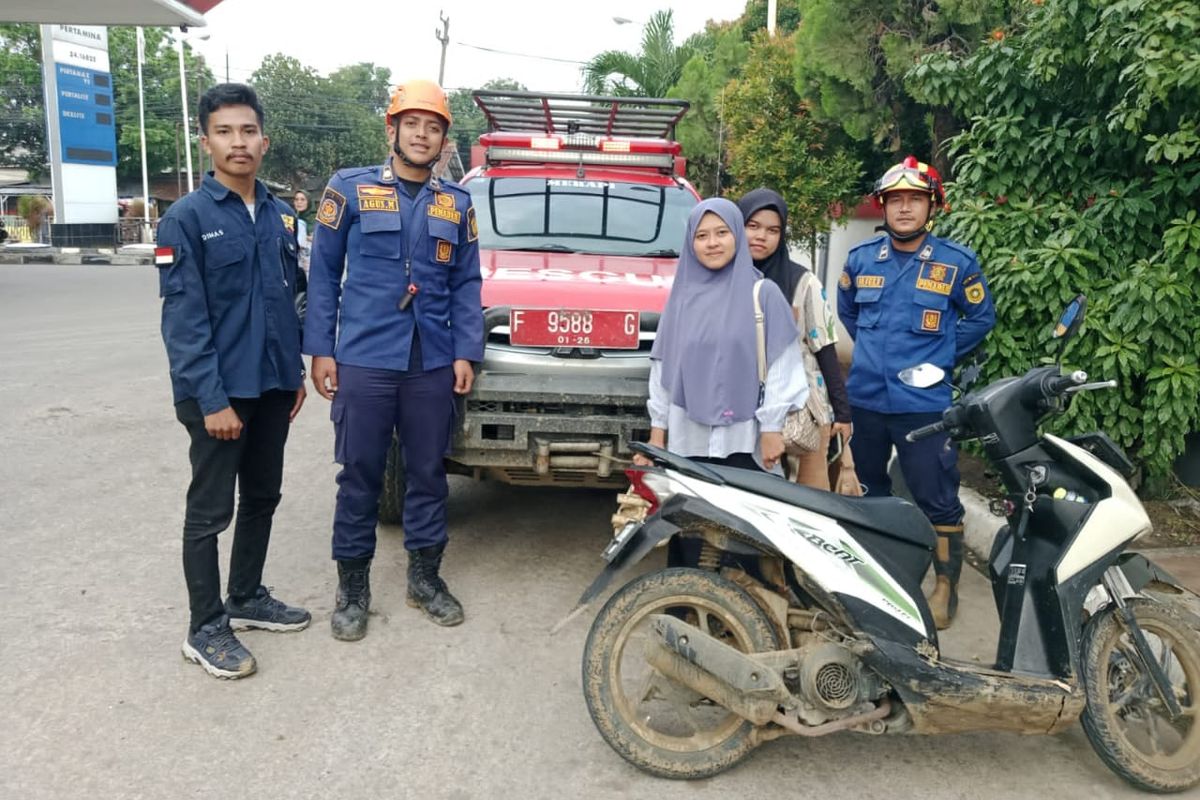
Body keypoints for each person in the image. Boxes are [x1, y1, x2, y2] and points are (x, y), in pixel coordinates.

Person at [305, 79, 483, 640]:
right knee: (360, 473)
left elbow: (466, 283)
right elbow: (323, 273)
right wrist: (321, 349)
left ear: (444, 141)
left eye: (433, 127)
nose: (422, 135)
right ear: (392, 130)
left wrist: (466, 352)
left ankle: (424, 580)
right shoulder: (349, 190)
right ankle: (353, 589)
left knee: (428, 473)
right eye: (412, 124)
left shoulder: (457, 204)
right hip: (365, 357)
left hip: (432, 360)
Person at [157, 83, 310, 680]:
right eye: (225, 132)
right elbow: (183, 321)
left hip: (272, 386)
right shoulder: (185, 219)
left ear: (264, 141)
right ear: (207, 142)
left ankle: (246, 596)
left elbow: (289, 300)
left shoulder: (281, 215)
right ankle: (204, 627)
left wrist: (293, 374)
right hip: (218, 395)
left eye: (248, 131)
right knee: (209, 512)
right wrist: (212, 399)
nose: (238, 142)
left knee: (263, 496)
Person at [837, 155, 996, 629]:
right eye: (895, 200)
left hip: (923, 403)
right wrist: (875, 355)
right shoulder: (861, 260)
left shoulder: (956, 263)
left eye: (915, 199)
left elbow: (981, 318)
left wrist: (940, 356)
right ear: (883, 207)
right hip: (866, 398)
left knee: (936, 494)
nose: (904, 208)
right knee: (869, 491)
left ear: (932, 206)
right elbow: (848, 312)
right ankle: (880, 579)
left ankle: (945, 587)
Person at [738, 188, 852, 489]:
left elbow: (825, 348)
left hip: (799, 412)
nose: (761, 236)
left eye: (773, 230)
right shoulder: (722, 280)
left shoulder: (802, 282)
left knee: (806, 498)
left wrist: (842, 413)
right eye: (753, 226)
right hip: (739, 410)